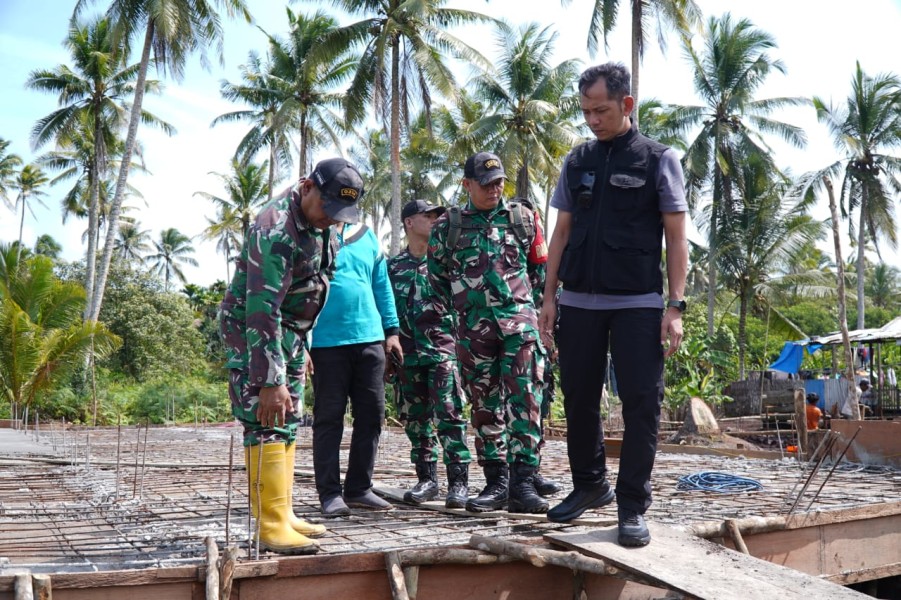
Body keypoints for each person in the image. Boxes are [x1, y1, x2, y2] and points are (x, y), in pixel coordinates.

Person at [538, 62, 688, 547]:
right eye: (585, 111)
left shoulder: (657, 158)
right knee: (579, 398)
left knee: (641, 403)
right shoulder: (576, 160)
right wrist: (548, 298)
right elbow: (561, 232)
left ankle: (631, 506)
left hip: (638, 303)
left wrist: (676, 307)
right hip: (578, 300)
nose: (592, 120)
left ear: (626, 105)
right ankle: (589, 486)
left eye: (601, 110)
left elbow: (676, 236)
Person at [219, 157, 364, 555]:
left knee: (287, 419)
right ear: (307, 187)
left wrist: (302, 345)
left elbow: (312, 288)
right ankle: (269, 524)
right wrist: (270, 379)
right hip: (256, 333)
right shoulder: (275, 228)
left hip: (291, 334)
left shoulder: (324, 224)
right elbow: (262, 309)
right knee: (265, 417)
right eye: (326, 209)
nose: (330, 220)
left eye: (338, 214)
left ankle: (282, 513)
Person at [428, 152, 550, 514]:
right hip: (472, 332)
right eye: (486, 184)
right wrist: (447, 332)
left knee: (527, 401)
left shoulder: (522, 219)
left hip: (520, 326)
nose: (495, 189)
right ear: (467, 185)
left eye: (499, 182)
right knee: (484, 407)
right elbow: (436, 283)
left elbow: (540, 273)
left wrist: (540, 321)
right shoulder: (447, 227)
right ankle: (496, 482)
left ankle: (523, 485)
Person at [309, 207, 403, 517]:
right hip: (325, 343)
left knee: (372, 415)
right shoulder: (310, 236)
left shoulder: (367, 237)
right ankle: (329, 493)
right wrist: (302, 343)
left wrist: (392, 332)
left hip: (369, 340)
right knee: (329, 419)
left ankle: (359, 488)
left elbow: (382, 286)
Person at [387, 199, 472, 508]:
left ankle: (458, 483)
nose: (436, 220)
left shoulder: (446, 262)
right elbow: (386, 312)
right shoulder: (393, 267)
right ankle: (427, 480)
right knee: (415, 420)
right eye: (428, 216)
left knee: (450, 416)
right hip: (407, 355)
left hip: (442, 350)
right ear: (409, 222)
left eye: (438, 216)